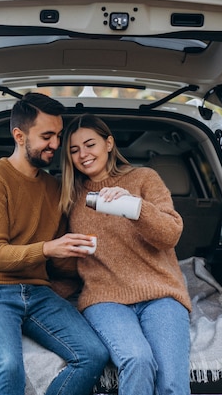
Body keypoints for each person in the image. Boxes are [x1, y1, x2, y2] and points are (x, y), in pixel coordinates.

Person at [0, 94, 109, 395]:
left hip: (37, 291)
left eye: (58, 136)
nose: (55, 144)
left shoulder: (53, 187)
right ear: (19, 136)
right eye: (47, 136)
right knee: (9, 366)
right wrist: (49, 248)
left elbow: (59, 261)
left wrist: (94, 257)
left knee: (93, 354)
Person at [59, 113, 192, 395]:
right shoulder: (70, 197)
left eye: (90, 144)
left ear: (109, 144)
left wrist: (135, 206)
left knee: (171, 382)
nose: (83, 154)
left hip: (161, 293)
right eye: (74, 150)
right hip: (105, 298)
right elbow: (67, 262)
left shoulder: (144, 178)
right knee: (137, 359)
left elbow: (170, 234)